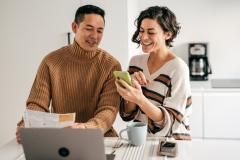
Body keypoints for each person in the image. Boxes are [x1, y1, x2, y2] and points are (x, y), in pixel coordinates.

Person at [16, 4, 121, 143]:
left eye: (100, 31)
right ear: (74, 27)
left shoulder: (111, 65)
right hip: (62, 139)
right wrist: (27, 124)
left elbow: (109, 110)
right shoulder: (51, 61)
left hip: (100, 138)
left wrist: (86, 128)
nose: (94, 36)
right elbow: (37, 104)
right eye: (89, 29)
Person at [115, 6, 192, 140]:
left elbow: (169, 123)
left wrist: (140, 98)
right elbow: (128, 115)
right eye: (141, 31)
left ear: (167, 34)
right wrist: (130, 89)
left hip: (172, 143)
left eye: (151, 32)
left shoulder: (178, 68)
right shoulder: (136, 62)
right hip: (141, 140)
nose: (143, 37)